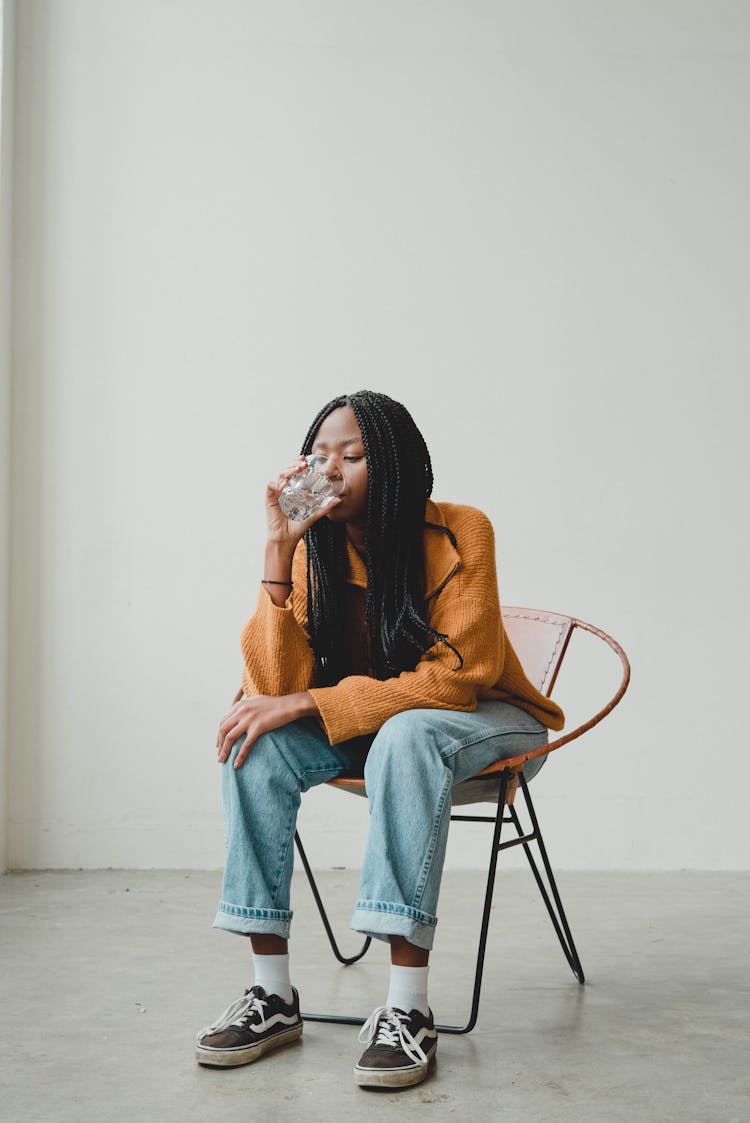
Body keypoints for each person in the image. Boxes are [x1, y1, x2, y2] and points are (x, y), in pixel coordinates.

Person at [195, 390, 564, 1089]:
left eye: (353, 455)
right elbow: (273, 683)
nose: (330, 468)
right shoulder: (313, 548)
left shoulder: (461, 531)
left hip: (489, 718)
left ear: (393, 465)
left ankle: (407, 1008)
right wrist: (278, 547)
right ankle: (271, 993)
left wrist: (308, 700)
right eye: (320, 454)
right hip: (376, 723)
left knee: (409, 728)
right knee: (257, 737)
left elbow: (458, 678)